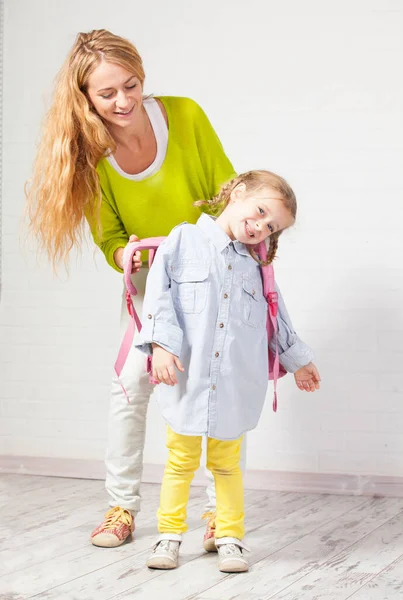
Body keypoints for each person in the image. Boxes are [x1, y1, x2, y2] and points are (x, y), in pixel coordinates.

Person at [25, 28, 238, 548]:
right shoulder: (90, 158)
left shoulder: (185, 116)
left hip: (211, 274)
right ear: (85, 99)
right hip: (148, 285)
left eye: (131, 84)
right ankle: (121, 506)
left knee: (214, 388)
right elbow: (111, 241)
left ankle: (219, 515)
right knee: (130, 386)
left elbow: (227, 194)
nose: (123, 101)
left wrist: (198, 248)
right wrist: (135, 255)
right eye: (106, 93)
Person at [135, 170, 321, 573]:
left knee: (227, 464)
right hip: (187, 377)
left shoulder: (257, 265)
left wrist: (298, 360)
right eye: (259, 212)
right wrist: (162, 346)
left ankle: (230, 537)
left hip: (234, 383)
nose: (260, 227)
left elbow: (276, 317)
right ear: (236, 194)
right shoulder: (184, 240)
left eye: (271, 226)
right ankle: (169, 536)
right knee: (179, 461)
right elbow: (158, 296)